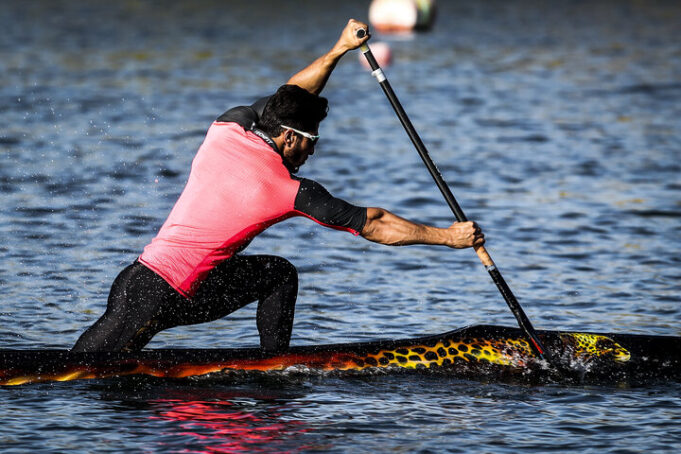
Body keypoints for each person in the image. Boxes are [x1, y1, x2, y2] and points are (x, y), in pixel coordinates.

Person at [72, 19, 485, 354]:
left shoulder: (228, 126)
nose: (313, 151)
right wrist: (447, 238)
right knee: (78, 378)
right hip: (160, 297)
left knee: (278, 273)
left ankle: (274, 364)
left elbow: (290, 97)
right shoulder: (287, 189)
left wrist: (339, 49)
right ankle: (274, 368)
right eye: (312, 141)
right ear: (289, 137)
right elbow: (372, 222)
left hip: (137, 282)